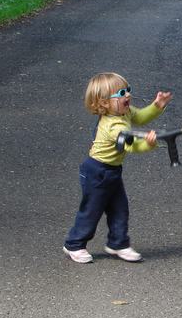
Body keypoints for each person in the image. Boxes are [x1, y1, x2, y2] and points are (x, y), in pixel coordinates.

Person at [63, 72, 172, 264]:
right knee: (91, 210)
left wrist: (157, 106)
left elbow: (141, 116)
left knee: (120, 209)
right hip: (96, 171)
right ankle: (74, 244)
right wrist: (149, 144)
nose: (128, 95)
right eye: (121, 93)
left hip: (112, 171)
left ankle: (118, 243)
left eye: (128, 90)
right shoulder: (113, 127)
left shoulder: (124, 112)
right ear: (104, 102)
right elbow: (131, 146)